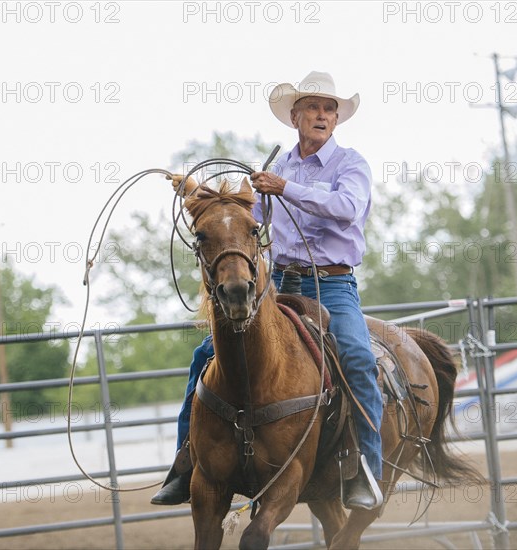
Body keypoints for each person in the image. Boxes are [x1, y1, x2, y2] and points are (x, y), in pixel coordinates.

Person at [151, 71, 383, 510]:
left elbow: (348, 209)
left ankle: (368, 470)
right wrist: (194, 192)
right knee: (205, 354)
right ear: (295, 116)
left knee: (357, 354)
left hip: (332, 282)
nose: (321, 114)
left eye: (329, 108)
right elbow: (238, 214)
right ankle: (186, 464)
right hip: (275, 284)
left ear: (336, 119)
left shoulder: (349, 165)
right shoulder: (276, 168)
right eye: (312, 107)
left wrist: (286, 188)